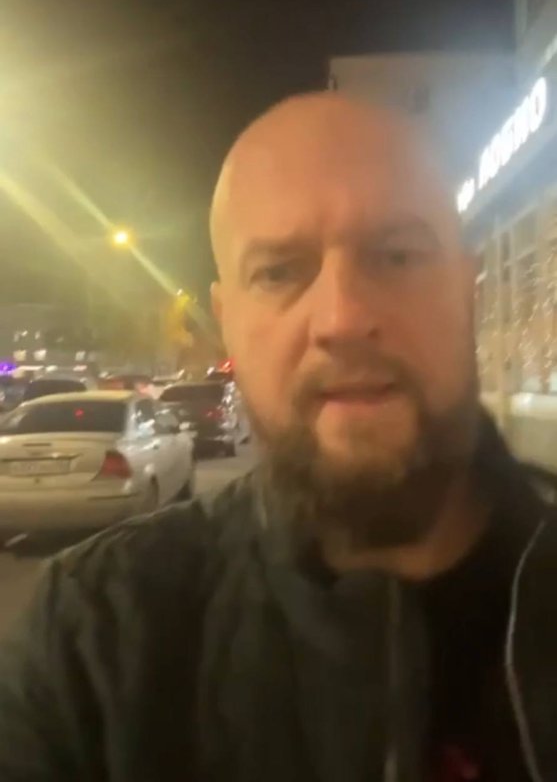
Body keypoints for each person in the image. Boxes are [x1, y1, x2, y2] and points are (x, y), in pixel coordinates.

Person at [0, 93, 555, 782]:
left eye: (396, 255)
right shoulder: (90, 643)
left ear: (468, 289)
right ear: (227, 321)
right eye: (279, 272)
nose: (342, 318)